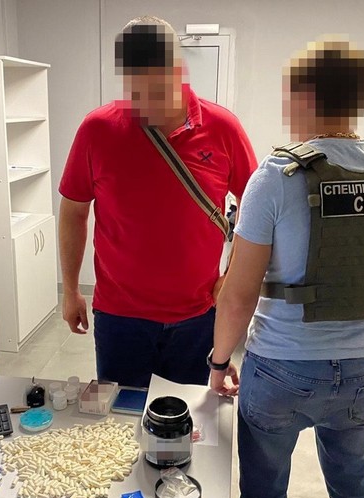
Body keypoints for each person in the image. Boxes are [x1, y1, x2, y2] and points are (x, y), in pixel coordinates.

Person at [208, 37, 364, 498]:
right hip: (356, 371)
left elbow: (238, 296)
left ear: (303, 95)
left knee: (263, 497)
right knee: (354, 490)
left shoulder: (276, 177)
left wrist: (219, 363)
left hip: (278, 370)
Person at [58, 16, 257, 388]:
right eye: (135, 91)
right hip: (120, 317)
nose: (144, 103)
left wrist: (231, 276)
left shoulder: (223, 128)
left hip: (198, 316)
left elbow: (255, 204)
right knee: (122, 417)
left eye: (156, 90)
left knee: (189, 416)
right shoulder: (98, 129)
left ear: (178, 72)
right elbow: (73, 210)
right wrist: (70, 290)